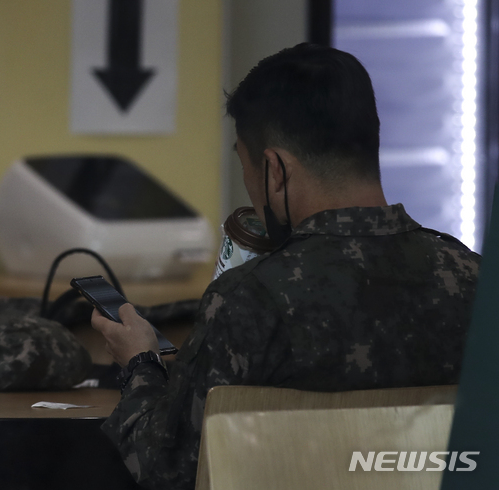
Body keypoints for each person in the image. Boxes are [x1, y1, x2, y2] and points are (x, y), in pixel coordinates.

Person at [91, 43, 481, 490]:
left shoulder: (251, 299)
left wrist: (140, 362)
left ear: (274, 170)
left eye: (247, 168)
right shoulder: (475, 281)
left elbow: (164, 468)